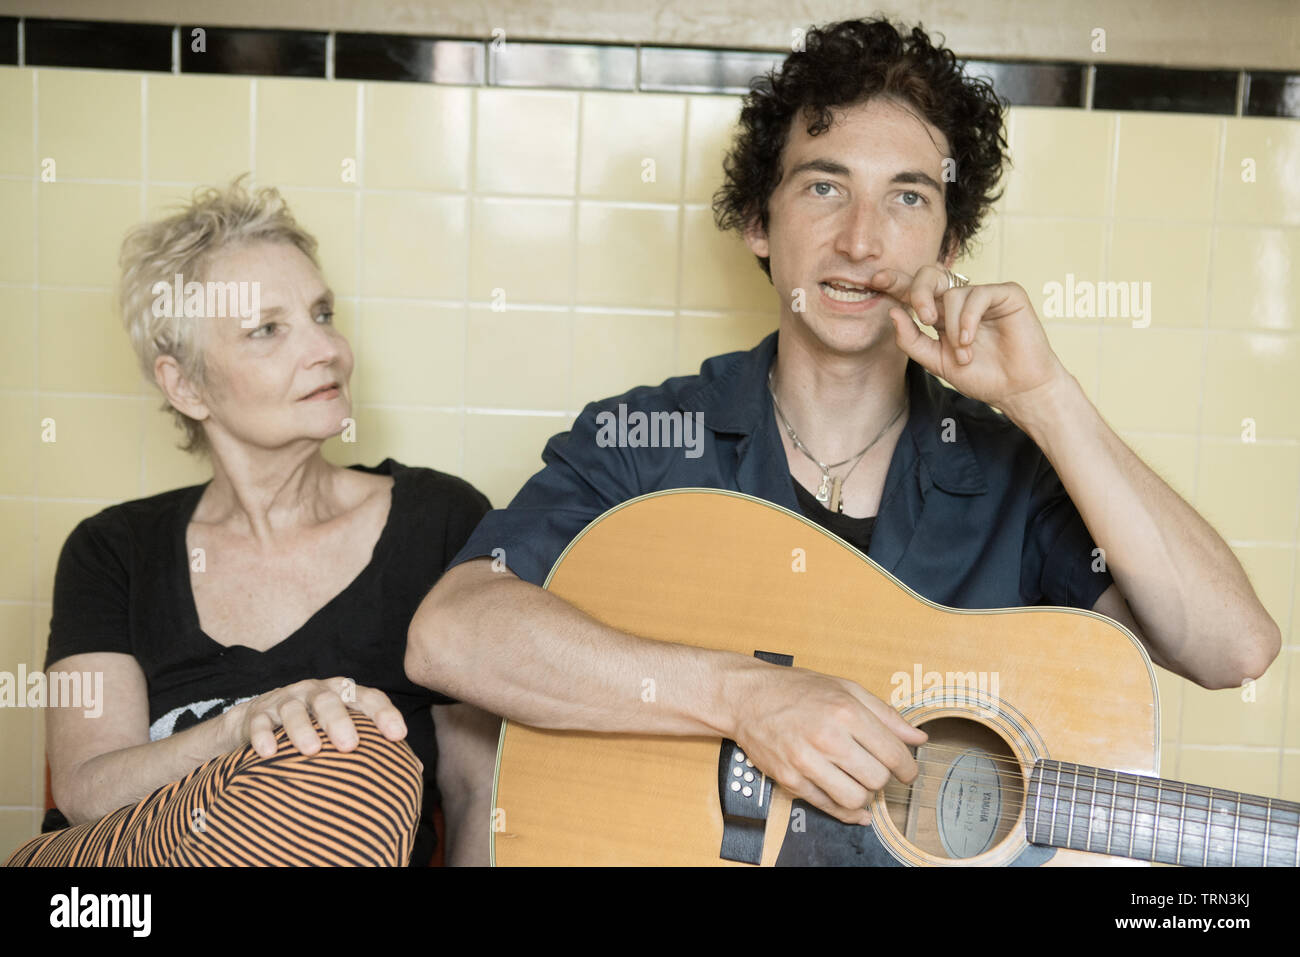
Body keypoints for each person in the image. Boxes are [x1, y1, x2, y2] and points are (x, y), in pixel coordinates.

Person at [404, 16, 1280, 861]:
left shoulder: (1016, 474)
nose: (862, 242)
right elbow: (452, 633)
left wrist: (1047, 398)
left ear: (952, 239)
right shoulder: (651, 438)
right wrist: (743, 697)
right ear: (758, 221)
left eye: (908, 197)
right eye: (824, 187)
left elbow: (1232, 648)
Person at [5, 177, 498, 867]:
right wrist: (239, 726)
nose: (325, 349)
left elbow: (478, 790)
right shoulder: (113, 550)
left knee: (350, 757)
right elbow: (87, 790)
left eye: (322, 313)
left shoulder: (439, 521)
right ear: (186, 385)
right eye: (267, 329)